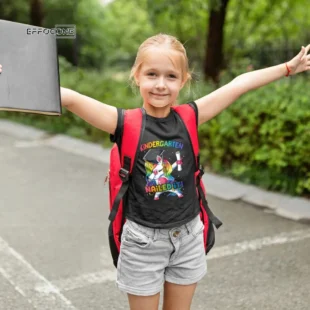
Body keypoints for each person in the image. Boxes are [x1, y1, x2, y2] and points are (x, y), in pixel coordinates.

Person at [0, 34, 309, 310]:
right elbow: (68, 97)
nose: (161, 84)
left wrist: (287, 68)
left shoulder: (190, 117)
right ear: (137, 76)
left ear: (183, 80)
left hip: (188, 237)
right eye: (152, 74)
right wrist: (11, 80)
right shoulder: (123, 121)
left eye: (171, 76)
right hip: (142, 242)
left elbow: (238, 84)